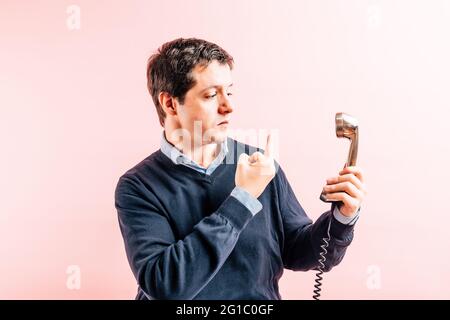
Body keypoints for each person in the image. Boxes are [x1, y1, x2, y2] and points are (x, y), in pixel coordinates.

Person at [115, 38, 367, 300]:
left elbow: (301, 251)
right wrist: (243, 198)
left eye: (229, 92)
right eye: (211, 95)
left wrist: (342, 218)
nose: (228, 106)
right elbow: (165, 285)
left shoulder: (260, 165)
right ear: (169, 103)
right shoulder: (138, 186)